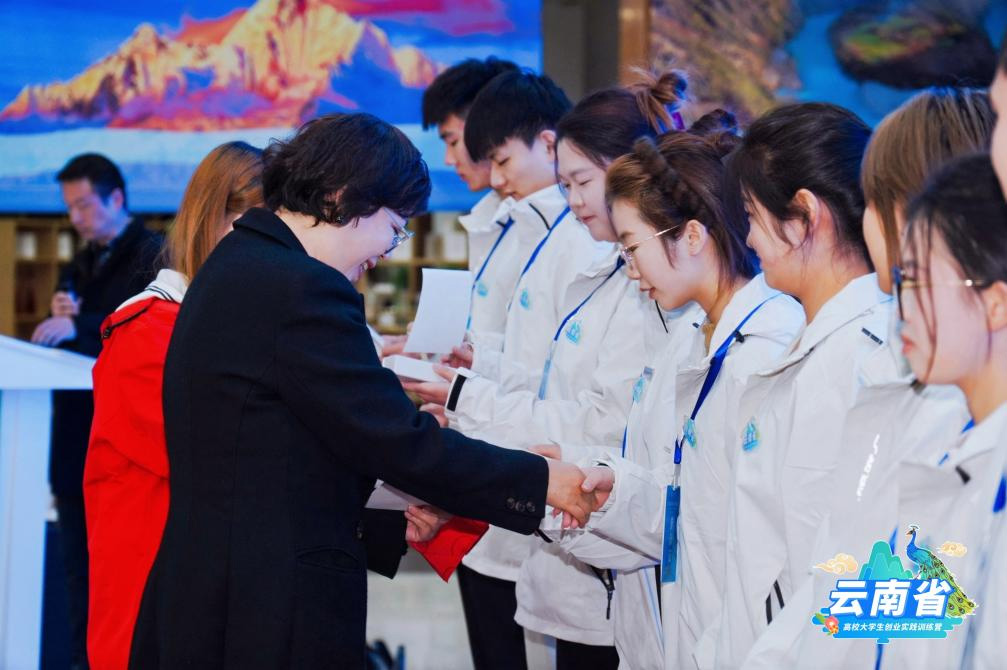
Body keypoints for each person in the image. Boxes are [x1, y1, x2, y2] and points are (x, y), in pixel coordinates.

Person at [127, 113, 596, 670]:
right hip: (264, 606)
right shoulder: (301, 288)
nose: (390, 250)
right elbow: (397, 441)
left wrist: (395, 513)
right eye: (394, 225)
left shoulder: (242, 261)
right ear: (343, 198)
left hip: (219, 587)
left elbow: (281, 450)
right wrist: (542, 481)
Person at [412, 70, 689, 670]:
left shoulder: (634, 282)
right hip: (573, 539)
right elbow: (551, 383)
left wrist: (469, 396)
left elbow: (600, 422)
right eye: (566, 185)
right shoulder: (601, 268)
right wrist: (477, 376)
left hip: (607, 554)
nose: (573, 201)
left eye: (581, 182)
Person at [747, 88, 993, 669]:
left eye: (875, 202)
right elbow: (847, 587)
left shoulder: (934, 390)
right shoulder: (904, 374)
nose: (865, 222)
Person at [553, 124, 805, 669]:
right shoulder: (689, 340)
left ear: (691, 236)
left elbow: (767, 549)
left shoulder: (768, 350)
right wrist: (607, 488)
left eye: (631, 247)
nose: (630, 269)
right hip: (681, 629)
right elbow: (685, 505)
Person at [409, 70, 605, 670]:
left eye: (497, 158)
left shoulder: (572, 236)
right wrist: (472, 372)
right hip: (505, 468)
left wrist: (472, 388)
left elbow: (563, 384)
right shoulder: (520, 224)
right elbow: (528, 362)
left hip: (547, 481)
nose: (490, 175)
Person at [710, 103, 888, 668]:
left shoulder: (855, 360)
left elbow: (832, 572)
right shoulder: (820, 344)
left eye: (751, 214)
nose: (747, 237)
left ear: (805, 214)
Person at [83, 142, 264, 670]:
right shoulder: (146, 331)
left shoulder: (220, 322)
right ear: (214, 221)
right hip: (152, 603)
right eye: (259, 232)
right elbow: (224, 458)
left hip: (207, 594)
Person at [32, 153, 162, 670]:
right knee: (77, 576)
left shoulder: (153, 254)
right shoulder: (82, 260)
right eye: (69, 207)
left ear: (117, 198)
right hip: (74, 439)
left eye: (84, 205)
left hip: (123, 444)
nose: (76, 217)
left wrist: (80, 325)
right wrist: (61, 317)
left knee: (122, 581)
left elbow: (145, 332)